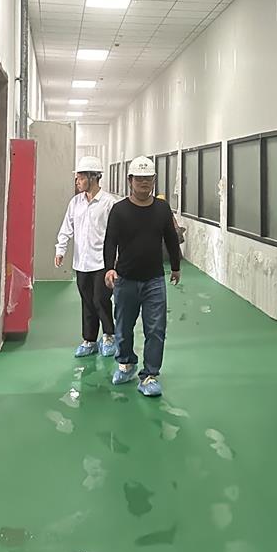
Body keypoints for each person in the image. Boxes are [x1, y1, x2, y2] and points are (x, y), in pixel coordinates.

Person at [103, 156, 182, 397]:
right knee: (123, 327)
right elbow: (110, 241)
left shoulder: (162, 209)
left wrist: (176, 266)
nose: (144, 182)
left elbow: (171, 238)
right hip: (125, 279)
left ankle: (149, 375)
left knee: (156, 329)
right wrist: (109, 268)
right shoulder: (119, 210)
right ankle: (126, 363)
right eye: (139, 178)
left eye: (148, 178)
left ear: (154, 180)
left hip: (154, 280)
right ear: (130, 180)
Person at [54, 155, 116, 358]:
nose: (77, 182)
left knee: (101, 299)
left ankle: (109, 335)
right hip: (81, 262)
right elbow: (67, 227)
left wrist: (117, 262)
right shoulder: (75, 203)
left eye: (80, 178)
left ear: (93, 177)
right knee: (87, 301)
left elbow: (117, 234)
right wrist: (60, 250)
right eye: (77, 178)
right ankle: (89, 340)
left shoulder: (108, 203)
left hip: (102, 262)